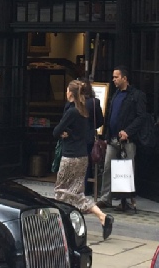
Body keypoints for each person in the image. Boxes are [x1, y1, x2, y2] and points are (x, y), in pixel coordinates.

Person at [53, 79, 113, 240]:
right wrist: (70, 133)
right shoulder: (84, 111)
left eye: (67, 90)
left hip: (70, 156)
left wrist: (64, 133)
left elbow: (56, 131)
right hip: (82, 156)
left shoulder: (71, 111)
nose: (65, 93)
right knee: (76, 192)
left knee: (61, 191)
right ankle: (101, 217)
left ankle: (62, 226)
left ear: (70, 93)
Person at [96, 66, 146, 213]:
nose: (113, 80)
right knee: (107, 168)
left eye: (116, 77)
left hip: (127, 140)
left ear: (124, 78)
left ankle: (128, 201)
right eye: (113, 77)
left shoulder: (136, 95)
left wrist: (128, 132)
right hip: (112, 138)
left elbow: (141, 117)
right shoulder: (116, 94)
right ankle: (106, 198)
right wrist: (106, 136)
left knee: (126, 170)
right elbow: (111, 116)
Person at [63, 79, 104, 195]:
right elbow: (100, 121)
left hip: (73, 138)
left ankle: (74, 188)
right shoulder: (94, 102)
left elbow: (64, 121)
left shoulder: (72, 103)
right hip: (89, 137)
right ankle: (86, 189)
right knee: (87, 163)